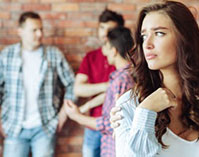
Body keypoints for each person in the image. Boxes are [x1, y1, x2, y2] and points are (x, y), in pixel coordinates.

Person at [113, 1, 199, 156]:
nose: (147, 44)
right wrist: (145, 113)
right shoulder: (129, 107)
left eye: (159, 33)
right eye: (143, 36)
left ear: (184, 39)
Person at [0, 11, 75, 157]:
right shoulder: (6, 56)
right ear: (20, 32)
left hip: (45, 127)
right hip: (14, 127)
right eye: (34, 30)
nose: (39, 34)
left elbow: (72, 83)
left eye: (41, 29)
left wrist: (63, 114)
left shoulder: (54, 54)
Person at [64, 26, 135, 157]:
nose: (104, 53)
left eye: (106, 48)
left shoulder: (122, 80)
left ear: (114, 51)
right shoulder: (121, 77)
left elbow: (113, 123)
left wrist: (77, 117)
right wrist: (85, 107)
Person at [73, 9, 123, 157]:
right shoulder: (91, 57)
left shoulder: (124, 60)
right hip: (92, 123)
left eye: (110, 29)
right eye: (102, 27)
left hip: (115, 125)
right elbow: (78, 89)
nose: (104, 33)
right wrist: (107, 86)